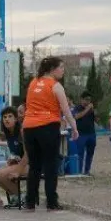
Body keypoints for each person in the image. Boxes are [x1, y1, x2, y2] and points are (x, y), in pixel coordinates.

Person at [21, 57, 79, 210]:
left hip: (29, 127)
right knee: (50, 164)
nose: (63, 70)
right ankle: (52, 202)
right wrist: (74, 127)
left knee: (34, 166)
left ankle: (30, 202)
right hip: (47, 126)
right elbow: (66, 110)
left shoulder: (33, 83)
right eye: (61, 68)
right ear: (53, 69)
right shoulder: (56, 86)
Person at [72, 92, 96, 176]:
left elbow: (96, 119)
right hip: (81, 134)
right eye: (86, 99)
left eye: (89, 100)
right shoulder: (77, 107)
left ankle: (87, 171)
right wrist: (87, 109)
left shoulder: (91, 108)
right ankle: (79, 171)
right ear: (81, 99)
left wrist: (93, 111)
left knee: (90, 153)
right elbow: (76, 116)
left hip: (91, 133)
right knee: (80, 153)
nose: (88, 102)